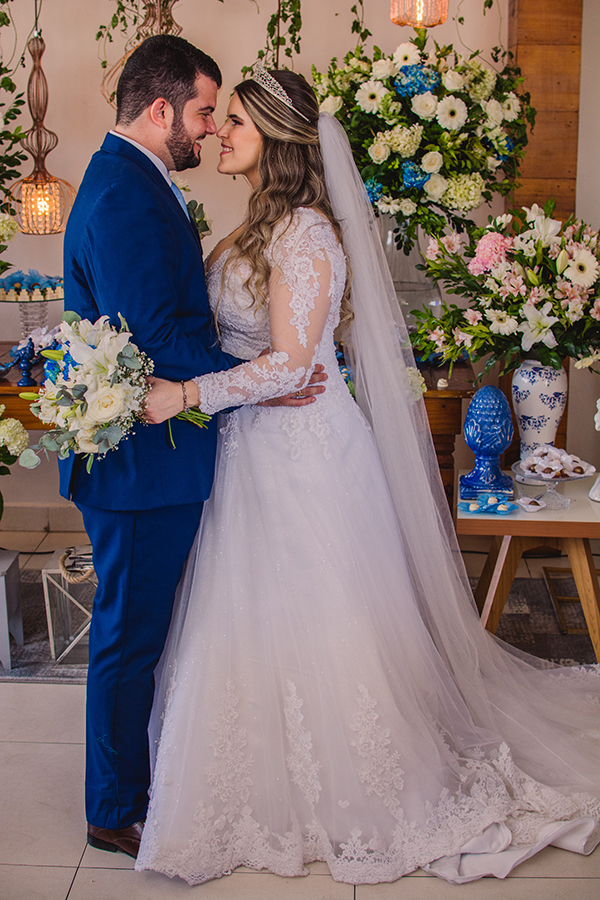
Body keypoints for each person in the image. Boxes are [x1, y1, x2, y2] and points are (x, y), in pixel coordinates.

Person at [136, 68, 600, 885]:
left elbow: (287, 363)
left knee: (319, 616)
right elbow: (274, 355)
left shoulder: (308, 232)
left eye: (234, 119)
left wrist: (187, 394)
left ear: (276, 133)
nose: (218, 132)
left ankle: (356, 779)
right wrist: (254, 371)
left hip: (303, 455)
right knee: (249, 613)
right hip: (256, 448)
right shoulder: (256, 227)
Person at [59, 38, 324, 859]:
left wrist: (265, 370)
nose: (210, 130)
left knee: (151, 633)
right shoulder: (126, 195)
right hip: (142, 465)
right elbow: (161, 336)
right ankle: (114, 808)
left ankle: (150, 778)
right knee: (130, 636)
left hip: (167, 452)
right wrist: (264, 373)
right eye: (207, 111)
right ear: (163, 108)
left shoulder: (140, 182)